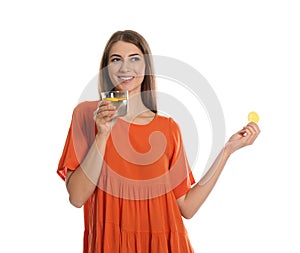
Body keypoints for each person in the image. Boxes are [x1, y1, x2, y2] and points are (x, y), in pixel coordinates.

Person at [57, 30, 260, 253]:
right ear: (106, 69)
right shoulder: (87, 114)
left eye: (135, 58)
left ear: (146, 67)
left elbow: (187, 207)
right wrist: (102, 134)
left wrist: (227, 151)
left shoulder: (168, 128)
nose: (125, 68)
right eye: (116, 60)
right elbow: (76, 197)